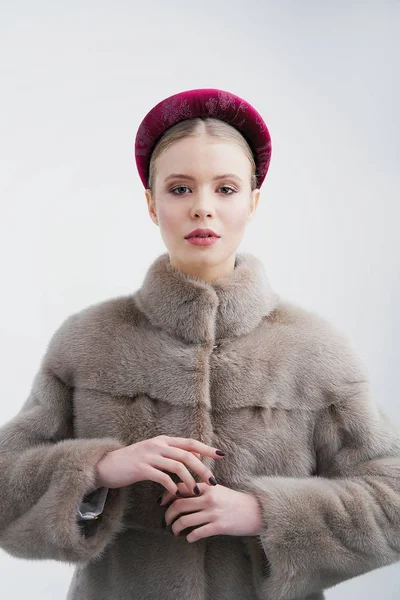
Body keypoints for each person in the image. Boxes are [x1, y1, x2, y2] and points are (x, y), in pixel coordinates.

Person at [0, 88, 400, 600]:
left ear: (253, 202)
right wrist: (97, 469)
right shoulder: (87, 343)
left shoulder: (314, 352)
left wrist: (262, 512)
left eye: (226, 189)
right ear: (151, 203)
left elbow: (391, 501)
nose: (203, 209)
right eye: (181, 189)